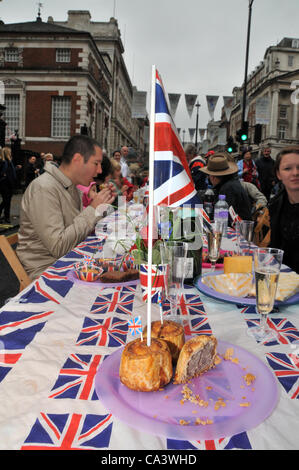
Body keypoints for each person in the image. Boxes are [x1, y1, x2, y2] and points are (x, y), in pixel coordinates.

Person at [17, 134, 116, 280]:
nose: (100, 171)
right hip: (47, 270)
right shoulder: (44, 188)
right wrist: (93, 210)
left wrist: (103, 207)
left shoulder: (71, 187)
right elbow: (59, 247)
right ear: (77, 160)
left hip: (68, 261)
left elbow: (76, 231)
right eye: (96, 163)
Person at [268, 145, 299, 273]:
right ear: (278, 174)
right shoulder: (275, 204)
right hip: (284, 279)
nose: (295, 173)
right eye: (287, 168)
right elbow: (275, 246)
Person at [199, 153, 252, 223]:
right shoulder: (230, 183)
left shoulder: (227, 188)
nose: (209, 177)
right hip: (239, 227)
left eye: (209, 175)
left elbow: (221, 217)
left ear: (213, 177)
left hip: (239, 230)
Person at [0, 147, 17, 223]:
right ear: (7, 153)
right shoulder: (4, 162)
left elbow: (10, 172)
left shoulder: (9, 162)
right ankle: (6, 217)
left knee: (7, 201)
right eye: (9, 152)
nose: (11, 153)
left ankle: (7, 216)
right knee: (6, 201)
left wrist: (16, 168)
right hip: (5, 184)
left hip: (9, 184)